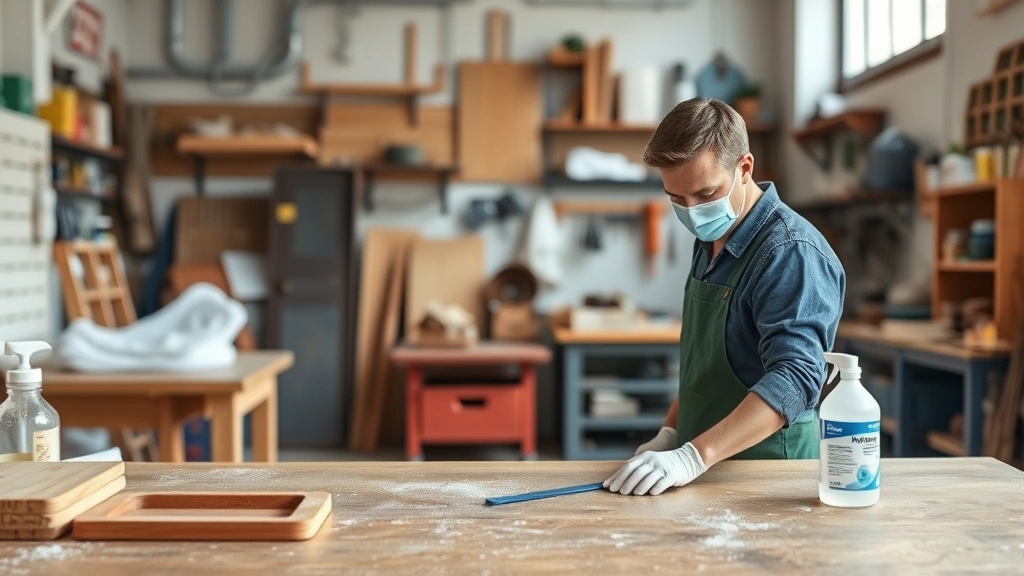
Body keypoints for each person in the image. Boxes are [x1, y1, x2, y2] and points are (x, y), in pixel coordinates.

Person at [604, 98, 846, 497]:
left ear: (744, 168)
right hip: (703, 471)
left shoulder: (790, 252)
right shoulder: (713, 236)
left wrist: (691, 456)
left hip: (766, 483)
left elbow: (797, 378)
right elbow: (706, 368)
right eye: (676, 199)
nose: (692, 211)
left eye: (705, 194)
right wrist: (670, 433)